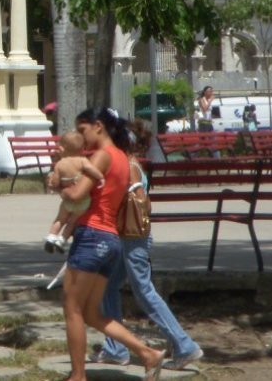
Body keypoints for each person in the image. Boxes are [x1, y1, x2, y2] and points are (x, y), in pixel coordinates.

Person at [58, 106, 167, 381]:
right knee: (93, 314)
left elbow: (76, 195)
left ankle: (78, 376)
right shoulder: (121, 157)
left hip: (91, 237)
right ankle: (147, 353)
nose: (81, 138)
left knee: (72, 308)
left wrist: (56, 183)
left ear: (98, 126)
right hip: (110, 239)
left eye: (83, 131)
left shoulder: (102, 156)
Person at [91, 120, 204, 371]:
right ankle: (115, 348)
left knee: (144, 291)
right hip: (130, 237)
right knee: (108, 287)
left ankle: (184, 345)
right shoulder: (133, 165)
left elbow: (123, 202)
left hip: (131, 239)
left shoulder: (127, 167)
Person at [44, 130, 104, 253]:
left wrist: (52, 186)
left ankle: (51, 237)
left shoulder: (60, 164)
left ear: (62, 148)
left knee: (60, 219)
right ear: (82, 148)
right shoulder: (82, 160)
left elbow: (55, 182)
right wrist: (100, 177)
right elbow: (89, 169)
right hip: (83, 200)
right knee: (72, 222)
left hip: (67, 200)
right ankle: (62, 240)